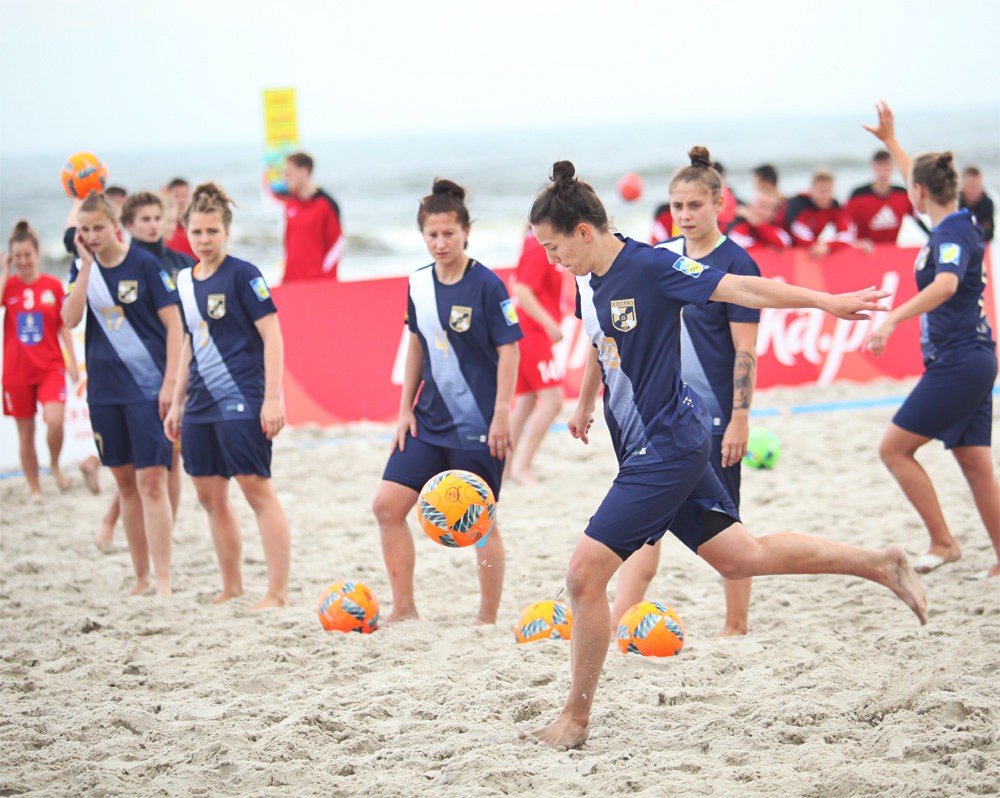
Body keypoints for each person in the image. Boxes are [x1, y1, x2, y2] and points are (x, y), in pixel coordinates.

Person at [524, 160, 927, 750]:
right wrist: (586, 401)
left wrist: (825, 301)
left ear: (583, 232)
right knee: (743, 557)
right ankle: (880, 564)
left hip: (665, 450)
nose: (550, 260)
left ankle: (575, 719)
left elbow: (742, 288)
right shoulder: (590, 277)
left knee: (583, 577)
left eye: (553, 247)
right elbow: (600, 339)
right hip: (653, 445)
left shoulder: (654, 265)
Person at [611, 148, 760, 637]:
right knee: (642, 529)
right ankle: (617, 625)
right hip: (667, 419)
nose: (685, 215)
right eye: (677, 206)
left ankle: (735, 627)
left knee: (730, 530)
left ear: (720, 203)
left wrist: (740, 418)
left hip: (718, 419)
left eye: (695, 205)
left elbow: (745, 352)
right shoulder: (663, 259)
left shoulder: (737, 263)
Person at [371, 179, 521, 624]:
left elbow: (509, 350)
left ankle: (487, 616)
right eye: (432, 235)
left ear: (466, 232)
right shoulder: (417, 285)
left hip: (479, 425)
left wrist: (501, 415)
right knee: (386, 506)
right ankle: (404, 608)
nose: (440, 243)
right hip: (427, 420)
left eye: (449, 234)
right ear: (423, 236)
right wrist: (403, 411)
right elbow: (416, 344)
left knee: (481, 522)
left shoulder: (488, 285)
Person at [862, 101, 999, 579]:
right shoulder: (952, 221)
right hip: (974, 358)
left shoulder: (953, 235)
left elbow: (944, 285)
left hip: (961, 360)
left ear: (919, 193)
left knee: (894, 449)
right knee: (977, 466)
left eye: (912, 187)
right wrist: (891, 141)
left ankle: (943, 542)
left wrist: (890, 320)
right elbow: (916, 178)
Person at [163, 182, 291, 609]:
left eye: (212, 232)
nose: (204, 240)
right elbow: (187, 342)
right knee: (208, 495)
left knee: (256, 490)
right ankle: (232, 586)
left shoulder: (243, 274)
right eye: (197, 232)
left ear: (227, 231)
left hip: (243, 397)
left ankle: (276, 592)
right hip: (199, 402)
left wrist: (273, 398)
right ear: (187, 231)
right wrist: (177, 401)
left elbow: (272, 335)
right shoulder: (183, 281)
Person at [62, 191, 182, 597]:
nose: (93, 235)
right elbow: (69, 318)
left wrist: (169, 383)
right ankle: (141, 577)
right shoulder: (82, 269)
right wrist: (85, 268)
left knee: (153, 482)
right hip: (104, 391)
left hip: (147, 389)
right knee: (126, 485)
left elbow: (175, 325)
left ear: (115, 226)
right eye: (85, 230)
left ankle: (163, 579)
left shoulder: (144, 264)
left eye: (99, 228)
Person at [91, 192, 194, 551]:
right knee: (140, 467)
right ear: (127, 224)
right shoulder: (120, 261)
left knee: (170, 457)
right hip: (137, 377)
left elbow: (188, 320)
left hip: (181, 367)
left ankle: (169, 525)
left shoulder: (182, 262)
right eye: (145, 219)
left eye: (157, 218)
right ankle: (108, 520)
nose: (153, 225)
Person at [1, 220, 79, 495]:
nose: (23, 261)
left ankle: (55, 464)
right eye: (17, 256)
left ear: (37, 253)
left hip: (50, 366)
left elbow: (63, 325)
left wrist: (71, 360)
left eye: (27, 255)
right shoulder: (8, 286)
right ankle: (35, 487)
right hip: (17, 371)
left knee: (55, 420)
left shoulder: (51, 286)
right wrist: (3, 270)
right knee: (26, 434)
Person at [506, 228, 565, 484]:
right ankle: (522, 466)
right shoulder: (539, 245)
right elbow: (522, 289)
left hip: (523, 330)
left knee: (525, 402)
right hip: (531, 331)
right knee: (553, 400)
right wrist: (549, 324)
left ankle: (506, 468)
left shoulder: (539, 242)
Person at [276, 152, 344, 282]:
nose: (285, 177)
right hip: (290, 281)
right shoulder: (289, 204)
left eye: (289, 173)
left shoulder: (326, 204)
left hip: (318, 283)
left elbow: (337, 245)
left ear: (303, 171)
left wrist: (326, 280)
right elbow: (286, 244)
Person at [845, 150, 915, 246]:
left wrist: (932, 236)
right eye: (879, 167)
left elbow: (918, 218)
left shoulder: (902, 194)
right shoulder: (858, 195)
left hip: (891, 249)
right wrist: (856, 243)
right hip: (864, 251)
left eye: (886, 167)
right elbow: (844, 226)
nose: (883, 172)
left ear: (893, 168)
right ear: (872, 168)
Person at [784, 168, 856, 257]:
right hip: (785, 242)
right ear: (811, 190)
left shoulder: (834, 206)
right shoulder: (799, 204)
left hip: (807, 247)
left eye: (829, 191)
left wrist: (827, 246)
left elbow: (847, 235)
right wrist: (819, 246)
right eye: (822, 191)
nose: (825, 196)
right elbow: (801, 236)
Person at [727, 191, 792, 253]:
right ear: (750, 207)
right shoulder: (740, 226)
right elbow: (737, 245)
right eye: (762, 206)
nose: (766, 212)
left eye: (772, 209)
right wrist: (768, 248)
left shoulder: (778, 229)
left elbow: (784, 244)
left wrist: (757, 224)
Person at [959, 166, 995, 243]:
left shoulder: (987, 203)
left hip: (980, 242)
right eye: (972, 187)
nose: (976, 191)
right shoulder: (955, 203)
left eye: (978, 187)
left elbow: (989, 233)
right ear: (963, 186)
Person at [164, 178, 197, 258]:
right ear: (168, 197)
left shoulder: (198, 224)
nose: (181, 200)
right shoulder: (164, 228)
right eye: (176, 196)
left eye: (185, 196)